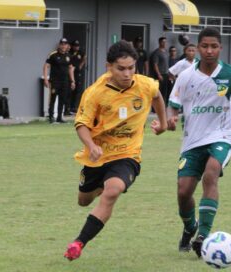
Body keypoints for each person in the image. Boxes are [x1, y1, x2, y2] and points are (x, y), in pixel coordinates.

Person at [63, 40, 167, 261]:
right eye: (121, 68)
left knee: (112, 192)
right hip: (97, 155)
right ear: (108, 66)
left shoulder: (144, 84)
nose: (128, 73)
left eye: (131, 68)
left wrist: (163, 123)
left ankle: (78, 242)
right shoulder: (95, 93)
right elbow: (81, 124)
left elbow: (157, 96)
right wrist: (91, 146)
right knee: (84, 201)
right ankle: (101, 183)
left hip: (127, 155)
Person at [166, 27, 231, 258]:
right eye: (204, 46)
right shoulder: (186, 76)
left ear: (220, 48)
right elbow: (172, 104)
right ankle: (189, 227)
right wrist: (170, 118)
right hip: (192, 140)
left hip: (222, 135)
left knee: (211, 173)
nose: (209, 50)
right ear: (197, 47)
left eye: (214, 46)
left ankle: (203, 236)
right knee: (184, 192)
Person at [43, 38, 75, 123]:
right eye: (62, 44)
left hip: (65, 81)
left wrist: (72, 81)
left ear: (67, 45)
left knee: (62, 99)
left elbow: (70, 68)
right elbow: (46, 66)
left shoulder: (68, 56)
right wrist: (46, 79)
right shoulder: (53, 55)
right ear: (59, 45)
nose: (63, 46)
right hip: (55, 81)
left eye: (65, 44)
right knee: (53, 98)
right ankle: (50, 117)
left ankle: (59, 118)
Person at [69, 40, 87, 113]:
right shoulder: (70, 52)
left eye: (78, 46)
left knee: (77, 90)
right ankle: (69, 107)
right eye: (75, 46)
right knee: (71, 90)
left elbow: (85, 57)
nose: (77, 47)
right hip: (70, 72)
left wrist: (81, 66)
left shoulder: (81, 52)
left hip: (77, 72)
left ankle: (74, 107)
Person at [150, 37, 169, 105]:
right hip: (160, 75)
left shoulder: (166, 52)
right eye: (163, 42)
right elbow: (155, 64)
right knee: (158, 91)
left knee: (164, 91)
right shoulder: (157, 52)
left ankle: (163, 105)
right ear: (159, 43)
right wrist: (159, 74)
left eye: (165, 42)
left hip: (166, 74)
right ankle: (155, 108)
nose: (164, 43)